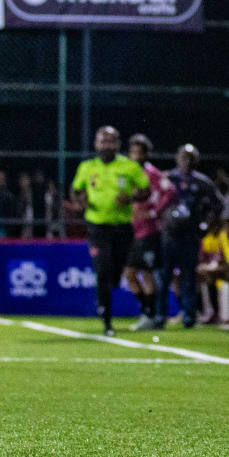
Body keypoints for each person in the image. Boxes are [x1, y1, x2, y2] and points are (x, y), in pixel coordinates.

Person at [69, 126, 148, 337]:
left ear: (117, 144)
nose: (106, 145)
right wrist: (80, 200)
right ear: (96, 144)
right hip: (97, 226)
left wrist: (130, 198)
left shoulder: (129, 166)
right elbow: (76, 190)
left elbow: (145, 190)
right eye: (102, 141)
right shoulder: (87, 167)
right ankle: (106, 318)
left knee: (115, 272)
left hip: (122, 227)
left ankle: (113, 282)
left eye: (110, 141)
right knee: (102, 271)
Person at [160, 144, 222, 329]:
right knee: (163, 276)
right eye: (184, 157)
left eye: (191, 158)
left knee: (188, 277)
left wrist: (207, 225)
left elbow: (217, 205)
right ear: (176, 158)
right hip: (168, 234)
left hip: (190, 235)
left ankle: (189, 315)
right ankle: (159, 314)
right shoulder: (167, 178)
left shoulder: (203, 182)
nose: (187, 162)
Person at [123, 133, 173, 331]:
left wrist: (154, 212)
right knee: (130, 274)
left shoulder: (152, 173)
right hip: (132, 231)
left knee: (147, 273)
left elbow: (169, 192)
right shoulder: (128, 172)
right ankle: (148, 312)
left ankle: (152, 315)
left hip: (149, 232)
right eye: (132, 151)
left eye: (139, 152)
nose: (135, 155)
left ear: (146, 154)